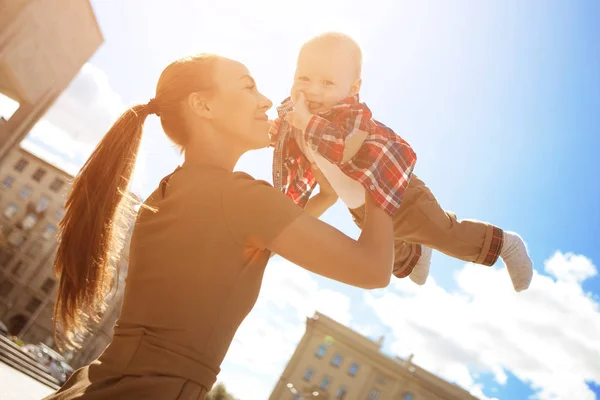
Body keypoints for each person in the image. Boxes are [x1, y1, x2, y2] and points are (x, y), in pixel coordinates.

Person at [44, 53, 394, 400]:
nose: (267, 100)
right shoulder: (240, 197)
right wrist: (379, 168)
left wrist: (325, 199)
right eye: (248, 87)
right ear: (202, 105)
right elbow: (374, 269)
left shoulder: (174, 188)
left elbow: (238, 257)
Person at [270, 32, 533, 291]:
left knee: (446, 235)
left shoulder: (352, 115)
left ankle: (505, 243)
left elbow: (344, 149)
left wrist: (306, 122)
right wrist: (275, 134)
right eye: (304, 77)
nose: (313, 89)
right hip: (362, 205)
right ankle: (416, 253)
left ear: (352, 89)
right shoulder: (295, 114)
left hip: (398, 191)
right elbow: (290, 143)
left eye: (327, 83)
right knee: (393, 254)